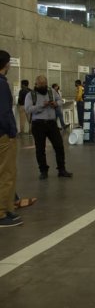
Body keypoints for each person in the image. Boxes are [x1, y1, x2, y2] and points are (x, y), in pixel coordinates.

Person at [25, 75, 73, 180]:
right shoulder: (30, 95)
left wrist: (56, 104)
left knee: (59, 146)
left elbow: (61, 101)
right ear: (36, 84)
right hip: (38, 124)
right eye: (40, 85)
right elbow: (28, 109)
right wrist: (41, 106)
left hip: (52, 123)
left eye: (44, 84)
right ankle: (43, 171)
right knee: (40, 149)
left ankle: (61, 169)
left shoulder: (51, 91)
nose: (43, 86)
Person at [0, 50, 21, 227]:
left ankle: (7, 208)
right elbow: (5, 113)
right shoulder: (1, 85)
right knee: (6, 174)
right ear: (5, 64)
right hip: (3, 136)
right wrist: (12, 133)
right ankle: (1, 213)